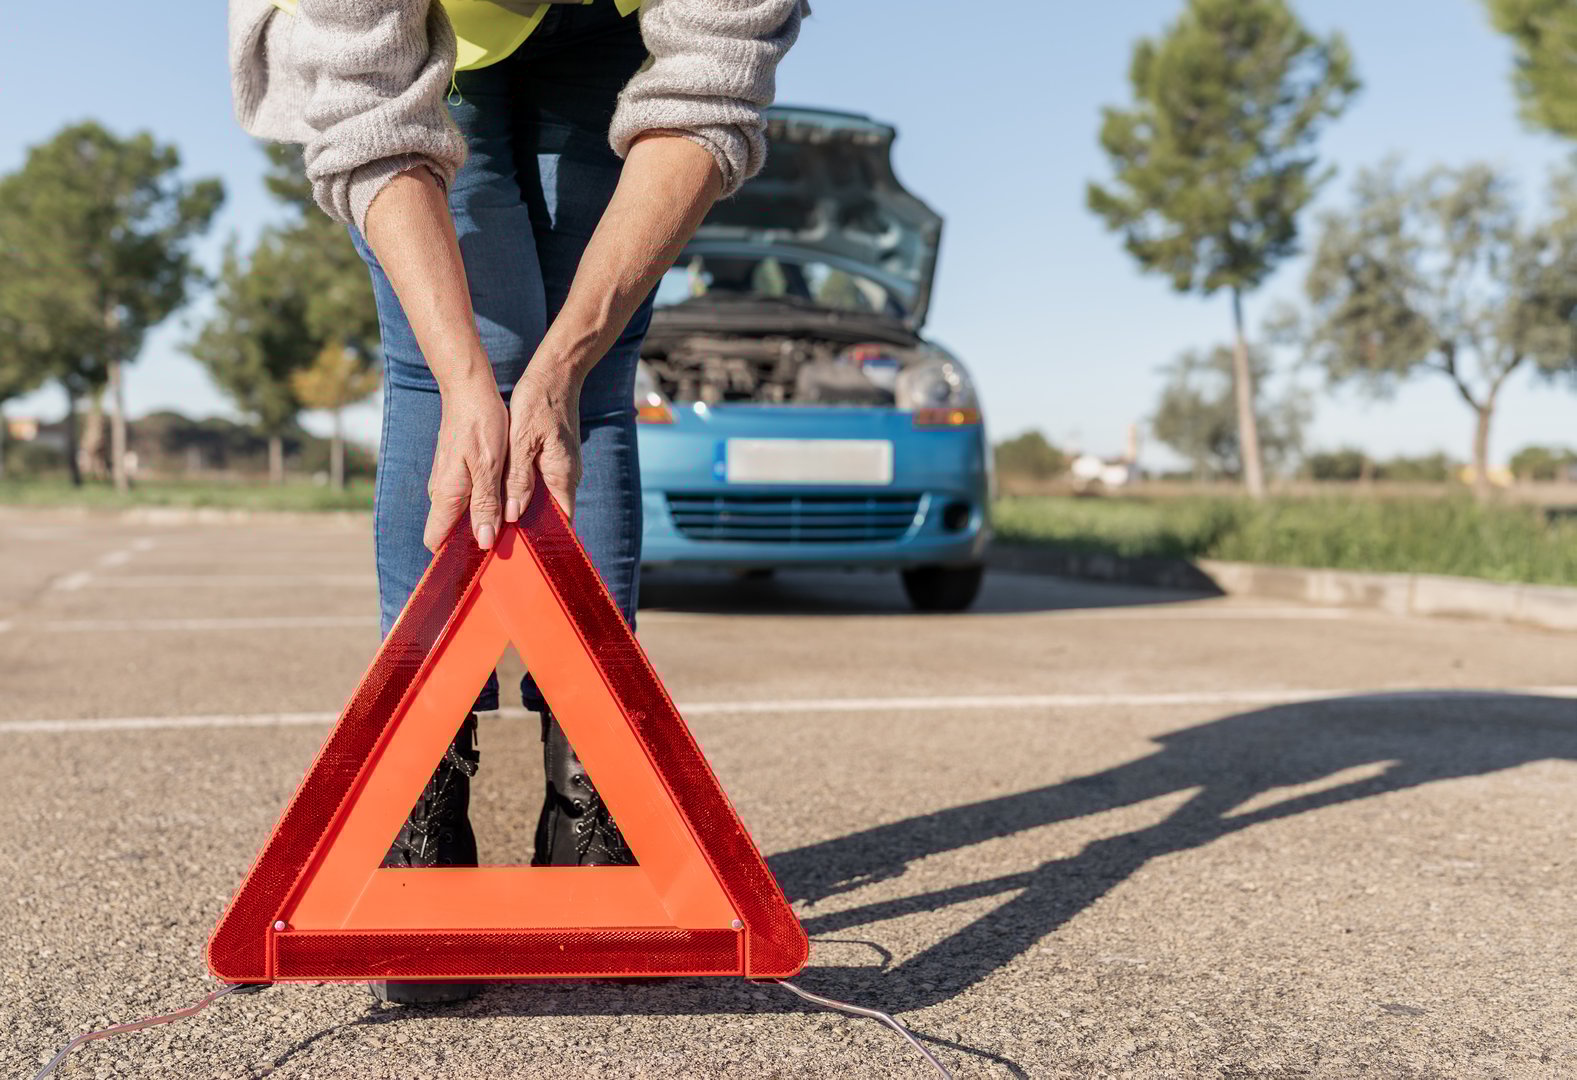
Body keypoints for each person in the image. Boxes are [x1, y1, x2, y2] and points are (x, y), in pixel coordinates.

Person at [228, 0, 805, 1002]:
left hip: (619, 33)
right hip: (428, 37)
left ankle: (596, 799)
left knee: (586, 368)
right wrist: (464, 383)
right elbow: (366, 116)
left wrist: (563, 367)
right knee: (460, 360)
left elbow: (711, 78)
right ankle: (416, 802)